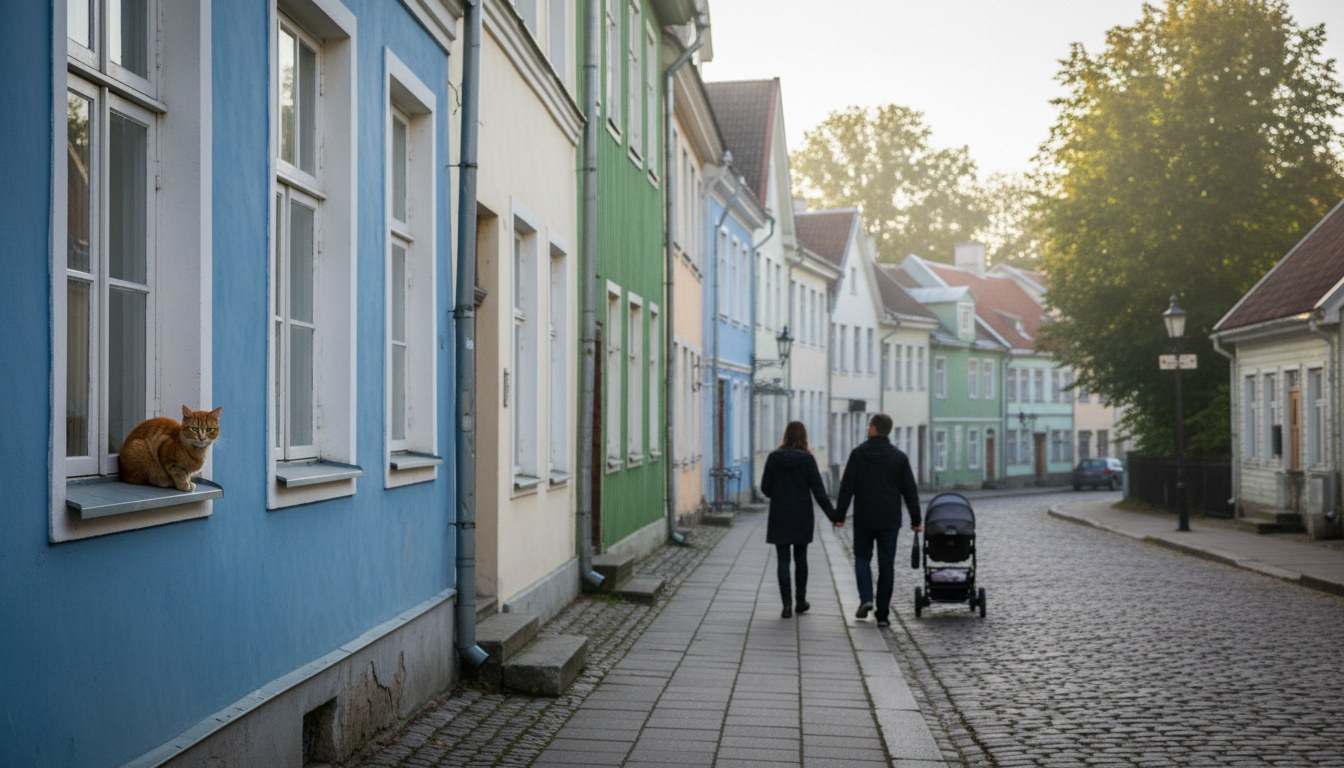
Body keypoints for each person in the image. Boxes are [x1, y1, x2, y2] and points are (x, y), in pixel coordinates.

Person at [832, 413, 922, 628]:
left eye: (869, 425)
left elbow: (847, 487)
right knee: (886, 565)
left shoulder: (858, 454)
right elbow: (910, 491)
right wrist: (916, 520)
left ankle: (866, 599)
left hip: (864, 517)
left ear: (873, 429)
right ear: (887, 431)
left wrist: (839, 515)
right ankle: (883, 615)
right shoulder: (899, 458)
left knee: (862, 558)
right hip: (890, 520)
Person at [759, 421, 836, 619]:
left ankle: (786, 605)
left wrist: (780, 489)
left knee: (783, 560)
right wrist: (834, 516)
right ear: (804, 437)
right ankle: (800, 601)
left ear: (785, 436)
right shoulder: (808, 460)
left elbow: (765, 488)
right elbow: (819, 492)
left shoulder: (774, 458)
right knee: (801, 558)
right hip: (802, 514)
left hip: (780, 514)